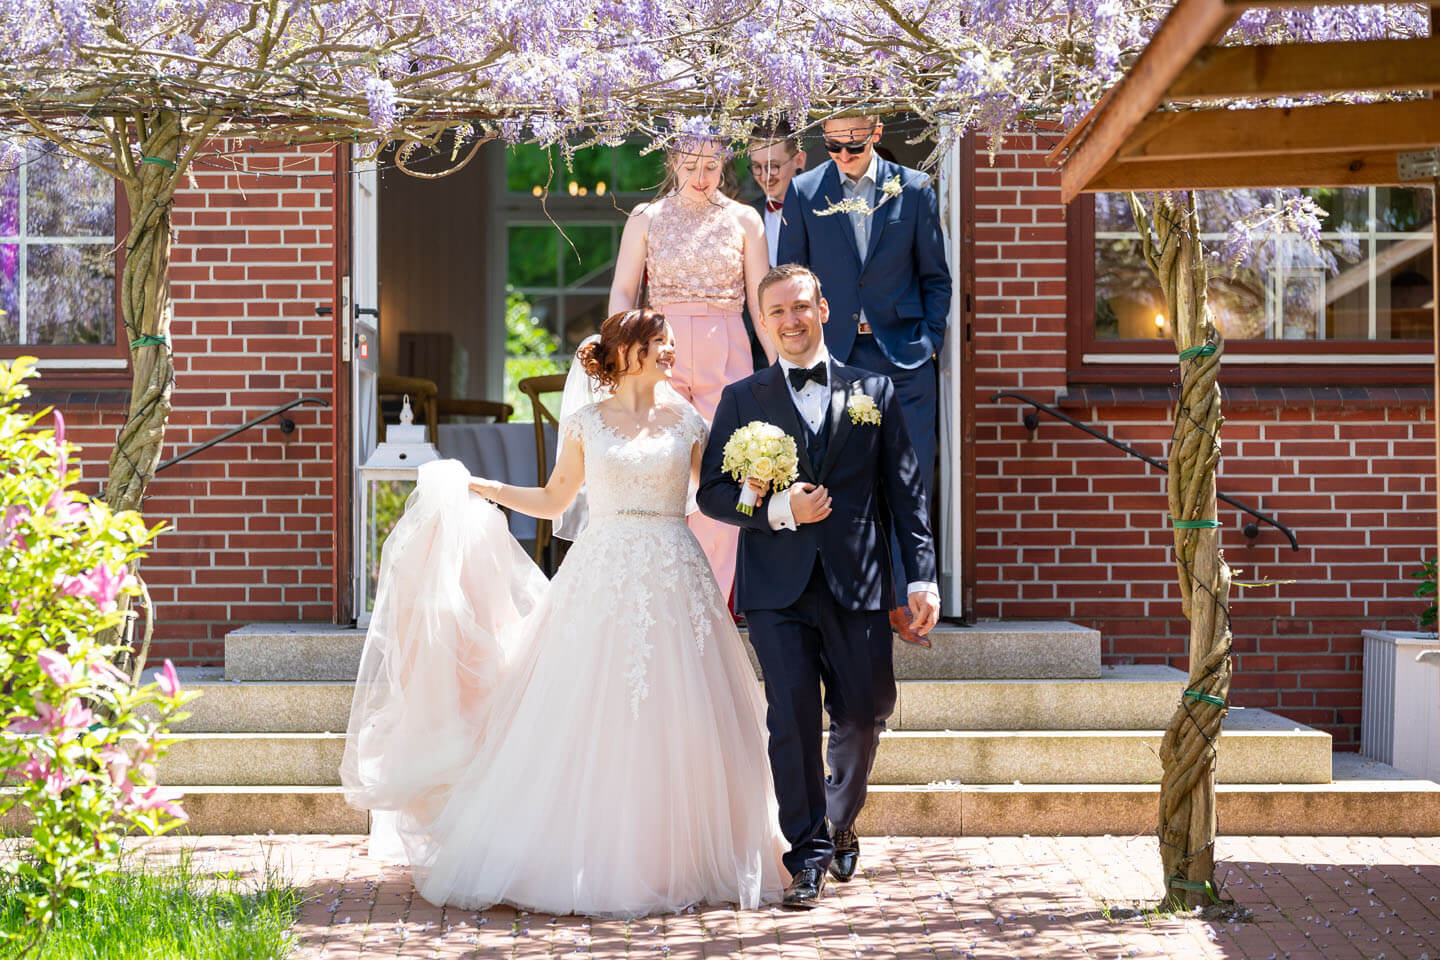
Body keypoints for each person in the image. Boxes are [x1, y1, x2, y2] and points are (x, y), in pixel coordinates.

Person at [342, 308, 787, 916]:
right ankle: (586, 854)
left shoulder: (688, 421)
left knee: (680, 706)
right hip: (600, 573)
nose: (672, 351)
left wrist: (762, 486)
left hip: (676, 573)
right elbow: (555, 501)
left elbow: (711, 499)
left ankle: (678, 854)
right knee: (586, 707)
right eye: (660, 342)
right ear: (626, 352)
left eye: (670, 342)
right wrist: (484, 488)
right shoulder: (583, 423)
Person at [697, 265, 939, 909]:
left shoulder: (875, 391)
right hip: (776, 586)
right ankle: (805, 852)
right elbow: (714, 495)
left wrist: (922, 577)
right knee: (792, 719)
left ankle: (839, 819)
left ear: (823, 309)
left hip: (858, 581)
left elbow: (906, 495)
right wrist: (780, 510)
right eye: (776, 312)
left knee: (864, 710)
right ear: (763, 321)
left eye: (800, 307)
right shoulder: (741, 399)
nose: (790, 321)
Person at [776, 115, 951, 645]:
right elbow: (789, 278)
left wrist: (929, 343)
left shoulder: (914, 188)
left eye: (852, 144)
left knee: (910, 477)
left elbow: (936, 278)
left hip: (902, 356)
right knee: (846, 478)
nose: (844, 155)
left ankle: (907, 598)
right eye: (832, 144)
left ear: (874, 132)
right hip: (835, 358)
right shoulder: (805, 191)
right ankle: (858, 601)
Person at [610, 136, 773, 603]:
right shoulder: (646, 218)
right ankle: (664, 596)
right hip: (663, 349)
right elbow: (623, 292)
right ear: (671, 162)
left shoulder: (744, 219)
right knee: (665, 466)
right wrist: (625, 350)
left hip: (729, 347)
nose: (700, 179)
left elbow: (762, 302)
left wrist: (783, 368)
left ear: (724, 165)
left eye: (711, 167)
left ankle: (716, 600)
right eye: (689, 167)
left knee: (726, 467)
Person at [739, 123, 807, 370]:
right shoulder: (745, 214)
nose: (766, 175)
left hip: (811, 339)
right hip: (755, 350)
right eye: (757, 167)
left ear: (799, 159)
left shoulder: (821, 210)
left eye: (773, 165)